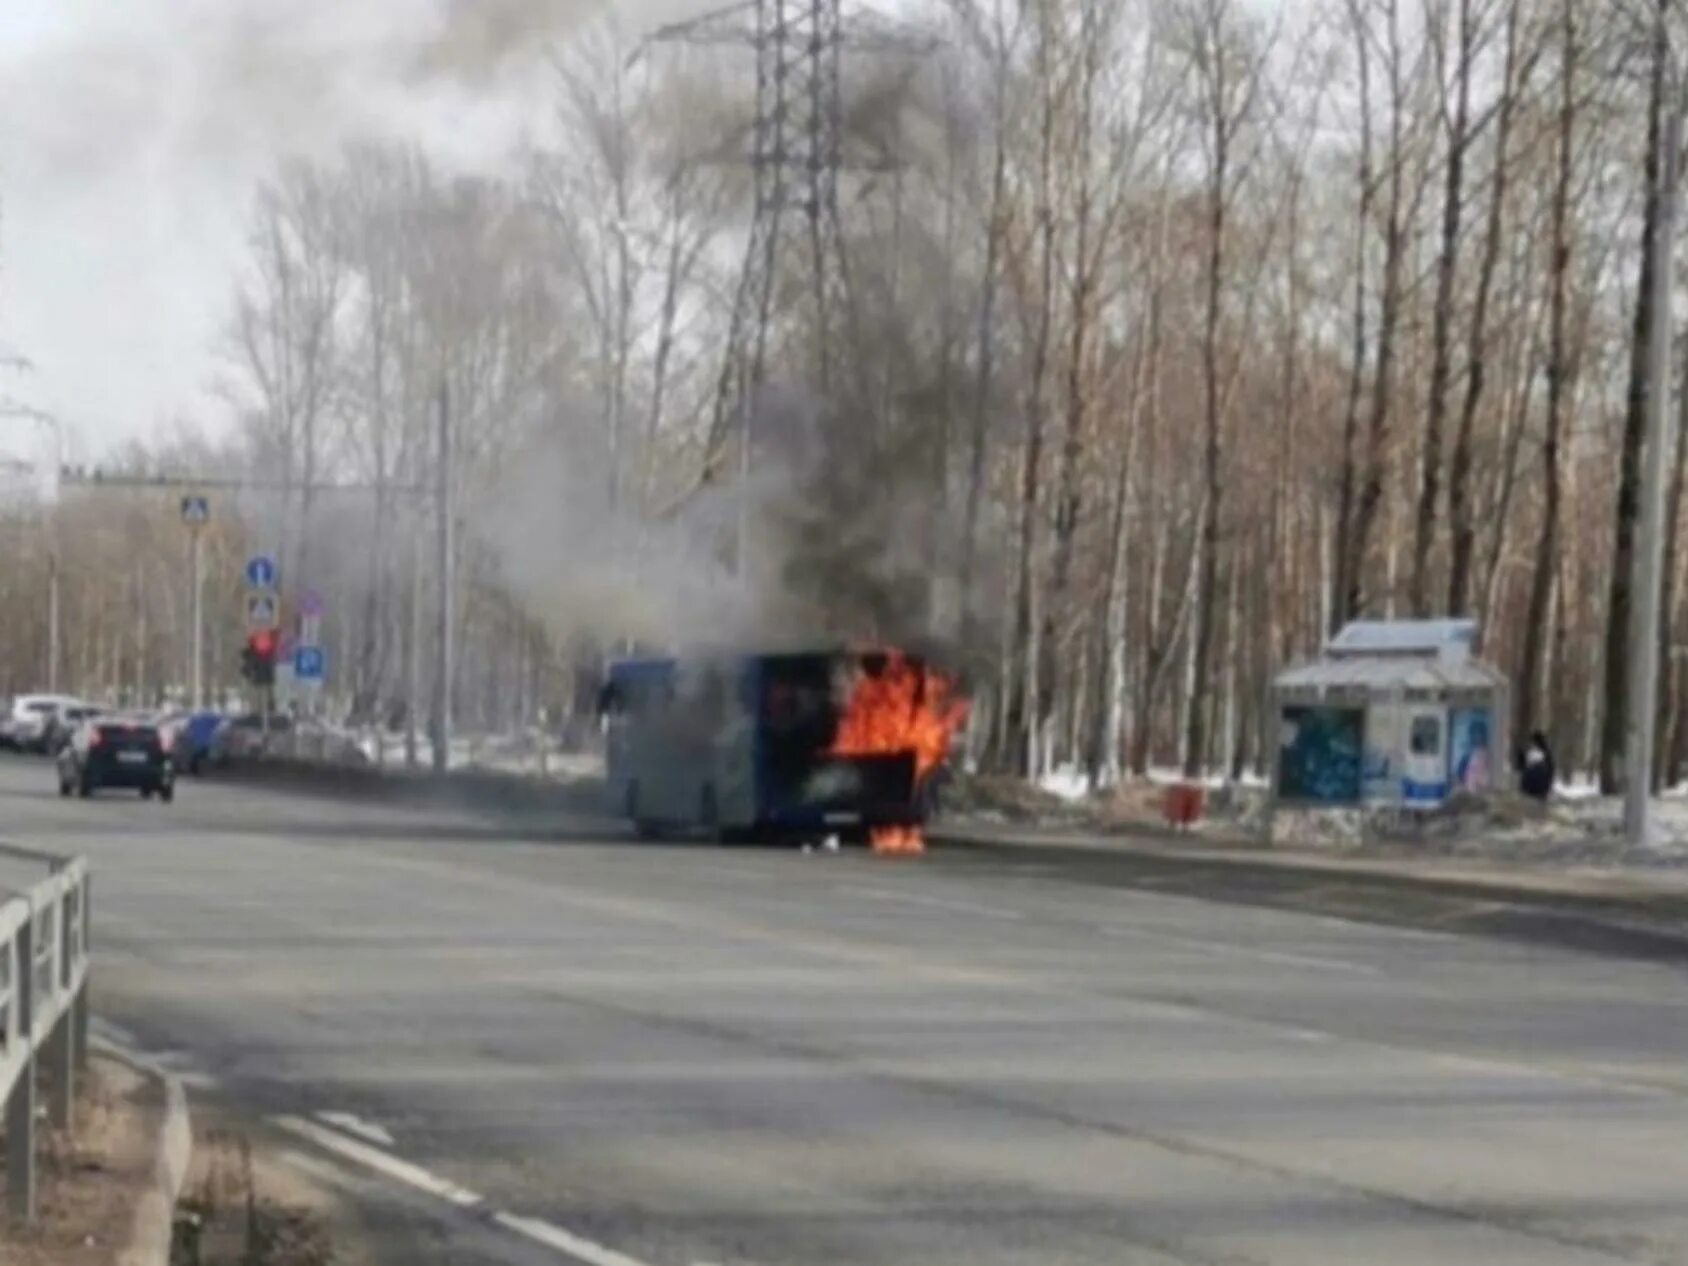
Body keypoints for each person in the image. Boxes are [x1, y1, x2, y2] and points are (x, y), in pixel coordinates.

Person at [1518, 730, 1555, 801]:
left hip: (1533, 789)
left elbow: (1525, 768)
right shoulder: (1546, 754)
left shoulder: (1535, 753)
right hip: (1541, 790)